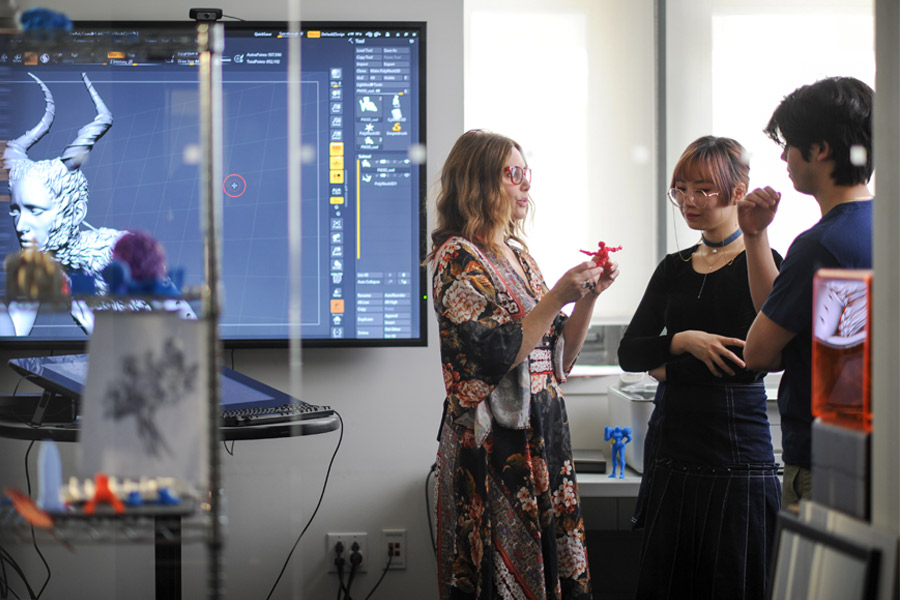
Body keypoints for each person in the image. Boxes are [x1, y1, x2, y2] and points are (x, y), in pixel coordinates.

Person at [429, 129, 618, 600]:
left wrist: (588, 297)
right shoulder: (456, 257)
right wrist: (555, 297)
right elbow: (489, 358)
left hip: (543, 436)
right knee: (495, 577)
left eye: (525, 172)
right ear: (478, 184)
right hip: (495, 448)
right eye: (512, 174)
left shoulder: (519, 255)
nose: (525, 186)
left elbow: (558, 358)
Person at [618, 136, 782, 600]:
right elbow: (631, 353)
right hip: (673, 449)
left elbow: (748, 366)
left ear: (737, 190)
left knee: (735, 580)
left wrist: (666, 366)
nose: (689, 201)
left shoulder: (763, 262)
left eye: (703, 189)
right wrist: (680, 342)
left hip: (737, 452)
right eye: (681, 189)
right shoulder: (674, 267)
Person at [740, 76, 874, 508]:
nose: (783, 157)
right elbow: (779, 319)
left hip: (824, 465)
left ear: (819, 150)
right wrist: (756, 237)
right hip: (874, 456)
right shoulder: (879, 227)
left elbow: (759, 352)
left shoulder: (820, 244)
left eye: (790, 145)